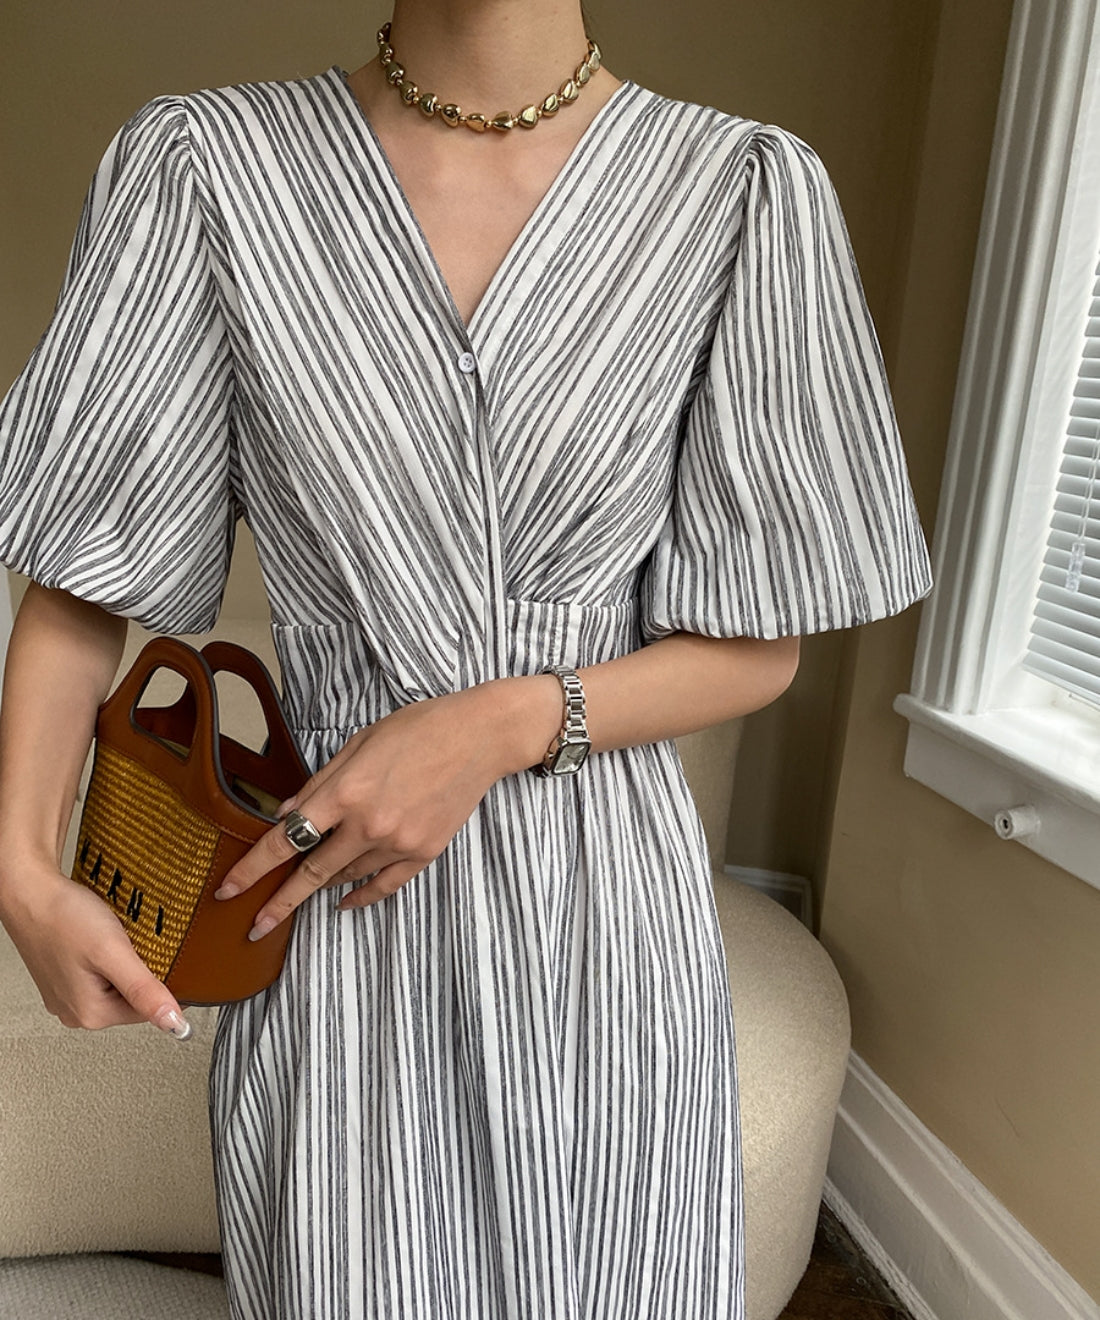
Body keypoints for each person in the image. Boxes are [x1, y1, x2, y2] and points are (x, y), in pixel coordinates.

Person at [0, 1, 934, 1316]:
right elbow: (80, 575)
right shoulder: (203, 169)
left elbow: (757, 646)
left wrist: (496, 724)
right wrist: (22, 873)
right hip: (338, 915)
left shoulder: (743, 194)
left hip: (606, 918)